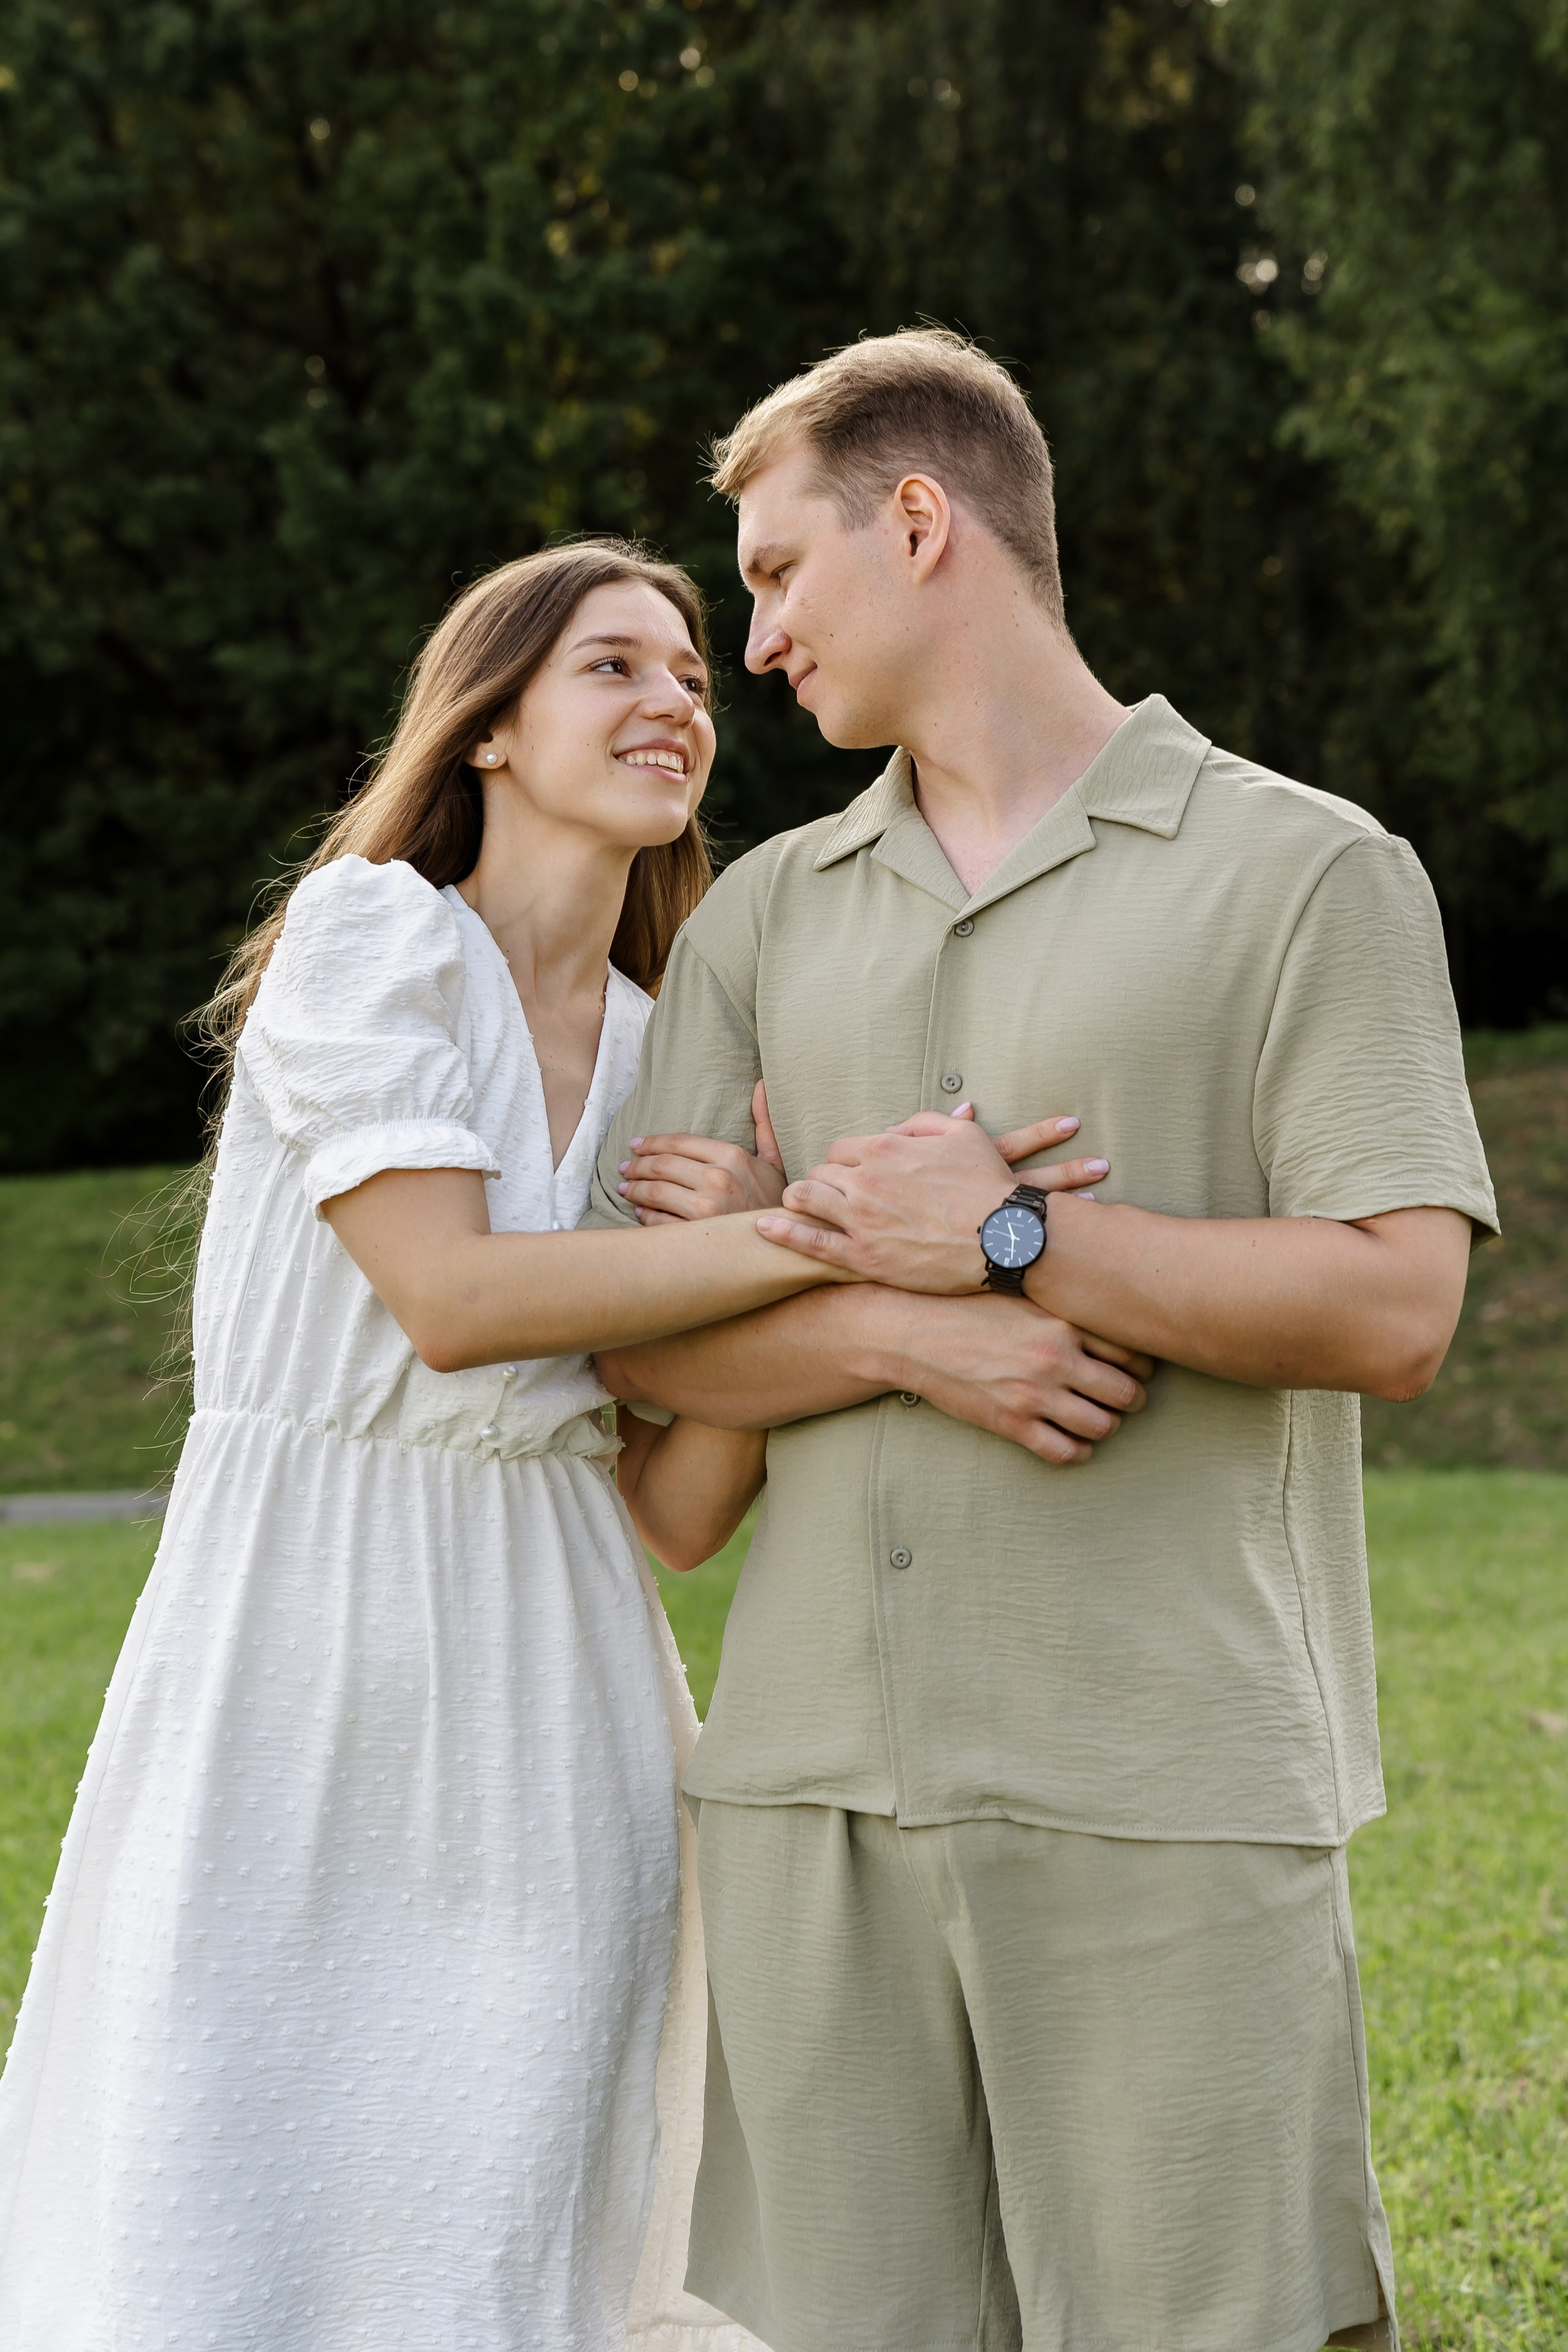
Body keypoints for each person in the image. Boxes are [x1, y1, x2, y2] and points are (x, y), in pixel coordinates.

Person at [591, 331, 1499, 2352]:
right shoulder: (751, 929)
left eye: (772, 575)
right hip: (817, 1800)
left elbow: (1397, 1305)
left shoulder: (1312, 875)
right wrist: (916, 1322)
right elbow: (663, 1377)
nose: (751, 649)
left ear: (921, 523)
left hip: (1169, 1780)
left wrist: (1008, 1238)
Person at [0, 538, 915, 2352]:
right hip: (301, 1645)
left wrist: (781, 1322)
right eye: (614, 668)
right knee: (241, 2162)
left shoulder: (678, 1056)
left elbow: (665, 1508)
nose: (672, 702)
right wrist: (828, 1240)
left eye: (692, 680)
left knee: (517, 2187)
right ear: (487, 726)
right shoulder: (370, 937)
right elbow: (445, 1293)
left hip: (566, 1684)